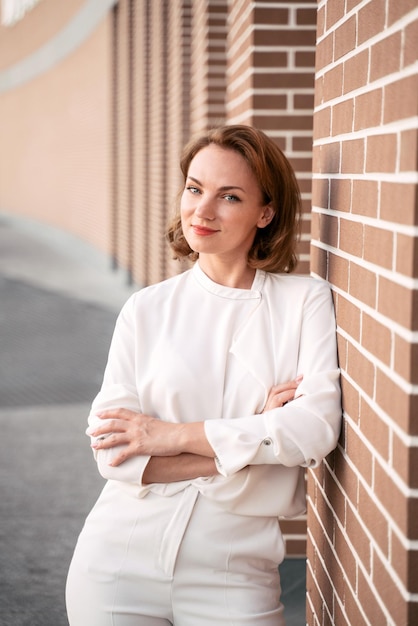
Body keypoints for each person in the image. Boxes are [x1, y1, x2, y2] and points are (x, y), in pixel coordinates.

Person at [66, 124, 342, 626]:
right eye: (195, 188)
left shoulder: (304, 302)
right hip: (117, 561)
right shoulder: (146, 309)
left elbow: (315, 428)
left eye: (229, 196)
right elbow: (113, 453)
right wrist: (252, 437)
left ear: (266, 212)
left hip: (237, 574)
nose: (203, 210)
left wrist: (170, 437)